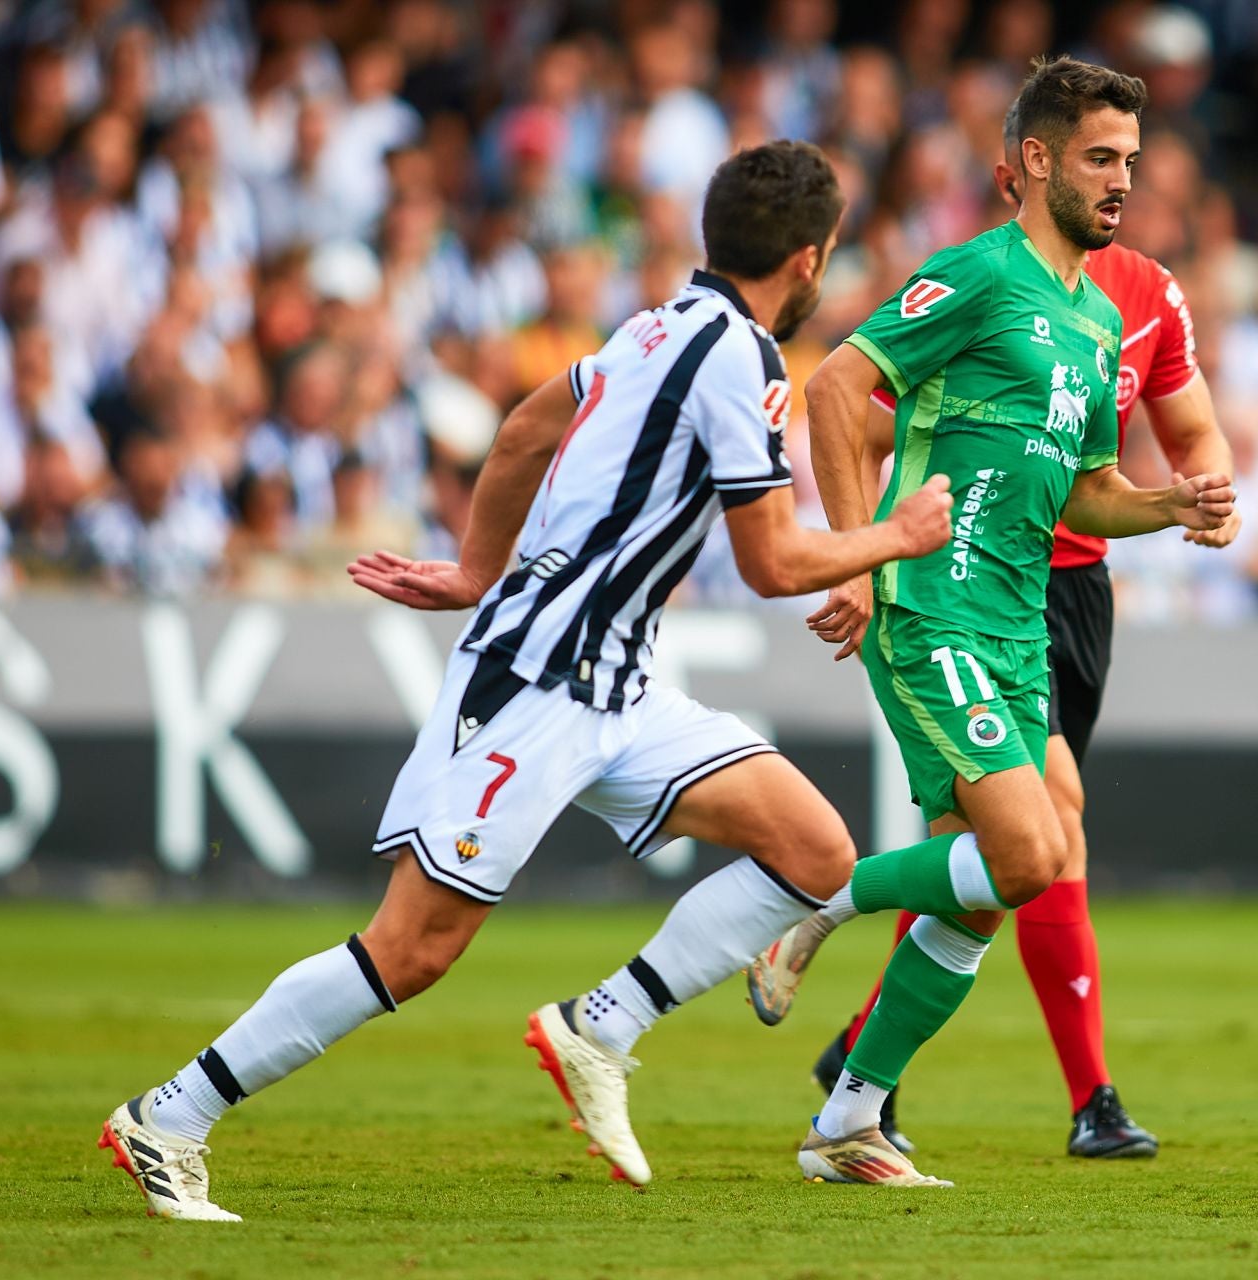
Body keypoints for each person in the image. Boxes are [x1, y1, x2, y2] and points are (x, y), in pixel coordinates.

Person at [94, 140, 955, 1221]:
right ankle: (168, 1115)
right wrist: (895, 534)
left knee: (815, 849)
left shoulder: (650, 327)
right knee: (410, 949)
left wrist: (472, 567)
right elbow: (772, 560)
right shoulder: (739, 355)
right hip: (536, 681)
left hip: (619, 682)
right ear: (810, 257)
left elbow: (521, 432)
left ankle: (603, 1023)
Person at [742, 56, 1235, 1187]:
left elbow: (1086, 492)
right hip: (936, 606)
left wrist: (1172, 502)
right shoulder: (974, 275)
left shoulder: (1100, 317)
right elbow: (831, 390)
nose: (1122, 180)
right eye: (1100, 158)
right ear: (1033, 160)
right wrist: (858, 558)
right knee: (1028, 849)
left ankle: (849, 1120)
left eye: (1130, 161)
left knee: (1010, 871)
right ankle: (824, 904)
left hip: (1020, 621)